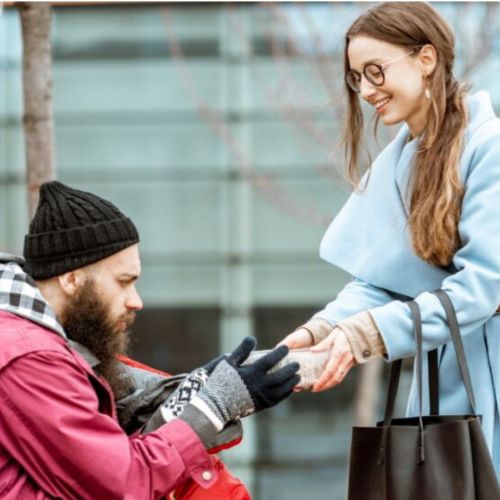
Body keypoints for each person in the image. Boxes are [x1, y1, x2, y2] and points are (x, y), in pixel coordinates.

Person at [279, 1, 500, 477]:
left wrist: (362, 335)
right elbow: (383, 280)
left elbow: (483, 288)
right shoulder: (402, 163)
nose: (366, 90)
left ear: (426, 59)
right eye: (356, 77)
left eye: (375, 71)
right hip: (446, 390)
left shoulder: (491, 149)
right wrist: (316, 333)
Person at [0, 180, 300, 499]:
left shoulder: (34, 342)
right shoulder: (27, 355)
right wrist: (215, 405)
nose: (136, 301)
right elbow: (121, 484)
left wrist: (191, 389)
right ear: (72, 279)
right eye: (123, 282)